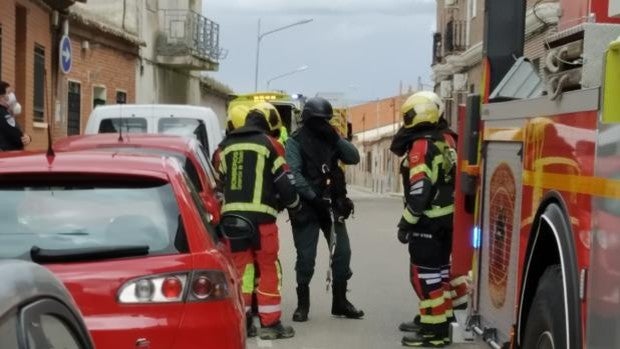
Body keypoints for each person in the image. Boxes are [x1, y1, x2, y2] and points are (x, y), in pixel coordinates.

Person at [217, 103, 301, 340]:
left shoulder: (226, 147)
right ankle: (270, 324)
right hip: (263, 220)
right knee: (267, 268)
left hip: (233, 221)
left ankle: (244, 323)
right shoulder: (270, 144)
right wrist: (295, 205)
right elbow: (284, 182)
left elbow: (220, 182)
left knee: (241, 271)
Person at [285, 97, 364, 322]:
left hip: (332, 206)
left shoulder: (331, 137)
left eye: (325, 121)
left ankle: (340, 302)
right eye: (319, 121)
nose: (322, 124)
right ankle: (303, 305)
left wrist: (335, 138)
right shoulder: (295, 141)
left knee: (342, 253)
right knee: (306, 258)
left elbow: (354, 157)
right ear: (308, 119)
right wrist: (313, 197)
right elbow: (295, 175)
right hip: (308, 208)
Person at [397, 91, 468, 336]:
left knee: (425, 277)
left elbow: (419, 191)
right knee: (440, 274)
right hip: (448, 220)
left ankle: (433, 330)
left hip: (428, 222)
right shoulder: (448, 140)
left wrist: (405, 224)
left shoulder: (422, 146)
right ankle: (442, 319)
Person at [0, 81, 31, 151]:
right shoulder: (3, 114)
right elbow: (16, 136)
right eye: (9, 93)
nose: (12, 95)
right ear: (1, 97)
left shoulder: (6, 113)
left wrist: (28, 137)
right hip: (7, 157)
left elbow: (17, 131)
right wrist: (26, 138)